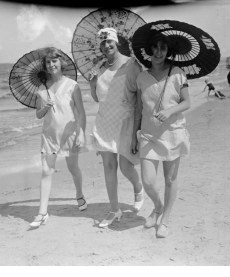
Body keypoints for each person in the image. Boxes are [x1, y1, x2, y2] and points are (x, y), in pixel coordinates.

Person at [131, 32, 191, 238]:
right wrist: (133, 137)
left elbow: (187, 102)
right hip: (148, 135)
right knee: (148, 181)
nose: (158, 52)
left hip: (173, 133)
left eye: (163, 48)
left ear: (168, 51)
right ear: (149, 50)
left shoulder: (177, 73)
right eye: (155, 47)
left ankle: (165, 219)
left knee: (170, 179)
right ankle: (158, 206)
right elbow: (138, 109)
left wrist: (169, 111)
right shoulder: (141, 77)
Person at [88, 27, 144, 228]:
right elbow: (97, 98)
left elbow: (140, 96)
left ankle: (138, 188)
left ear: (116, 41)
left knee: (125, 165)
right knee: (109, 166)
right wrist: (92, 83)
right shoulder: (100, 68)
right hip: (104, 121)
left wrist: (138, 128)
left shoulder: (132, 64)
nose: (106, 45)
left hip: (125, 120)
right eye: (102, 43)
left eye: (109, 41)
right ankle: (114, 210)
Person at [29, 47, 87, 228]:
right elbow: (38, 115)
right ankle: (42, 212)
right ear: (45, 66)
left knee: (73, 167)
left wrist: (81, 132)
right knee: (46, 171)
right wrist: (45, 106)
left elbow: (81, 113)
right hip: (49, 136)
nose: (51, 64)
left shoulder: (72, 85)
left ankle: (79, 194)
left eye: (54, 61)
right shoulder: (41, 88)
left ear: (61, 63)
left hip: (69, 133)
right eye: (48, 62)